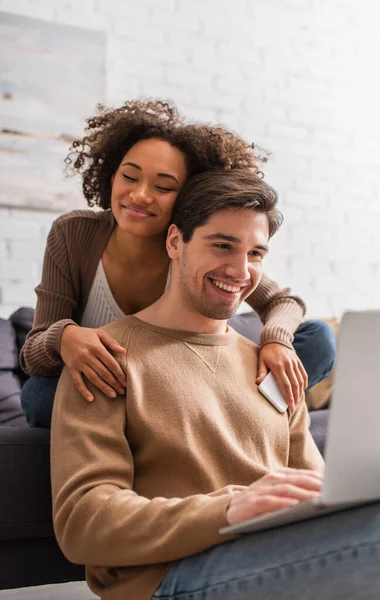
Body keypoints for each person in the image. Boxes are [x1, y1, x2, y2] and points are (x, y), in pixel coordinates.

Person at [51, 170, 380, 600]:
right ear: (175, 242)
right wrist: (230, 508)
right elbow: (83, 522)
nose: (240, 270)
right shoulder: (104, 357)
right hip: (169, 576)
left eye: (256, 253)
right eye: (222, 246)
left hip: (275, 554)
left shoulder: (273, 364)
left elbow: (314, 489)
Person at [20, 100, 336, 429]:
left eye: (164, 186)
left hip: (189, 380)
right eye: (130, 177)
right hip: (119, 388)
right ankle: (221, 422)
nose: (140, 195)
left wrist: (275, 338)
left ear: (188, 198)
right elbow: (33, 353)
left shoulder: (193, 246)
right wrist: (65, 337)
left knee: (320, 339)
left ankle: (209, 421)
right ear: (112, 177)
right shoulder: (74, 233)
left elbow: (281, 302)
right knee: (39, 398)